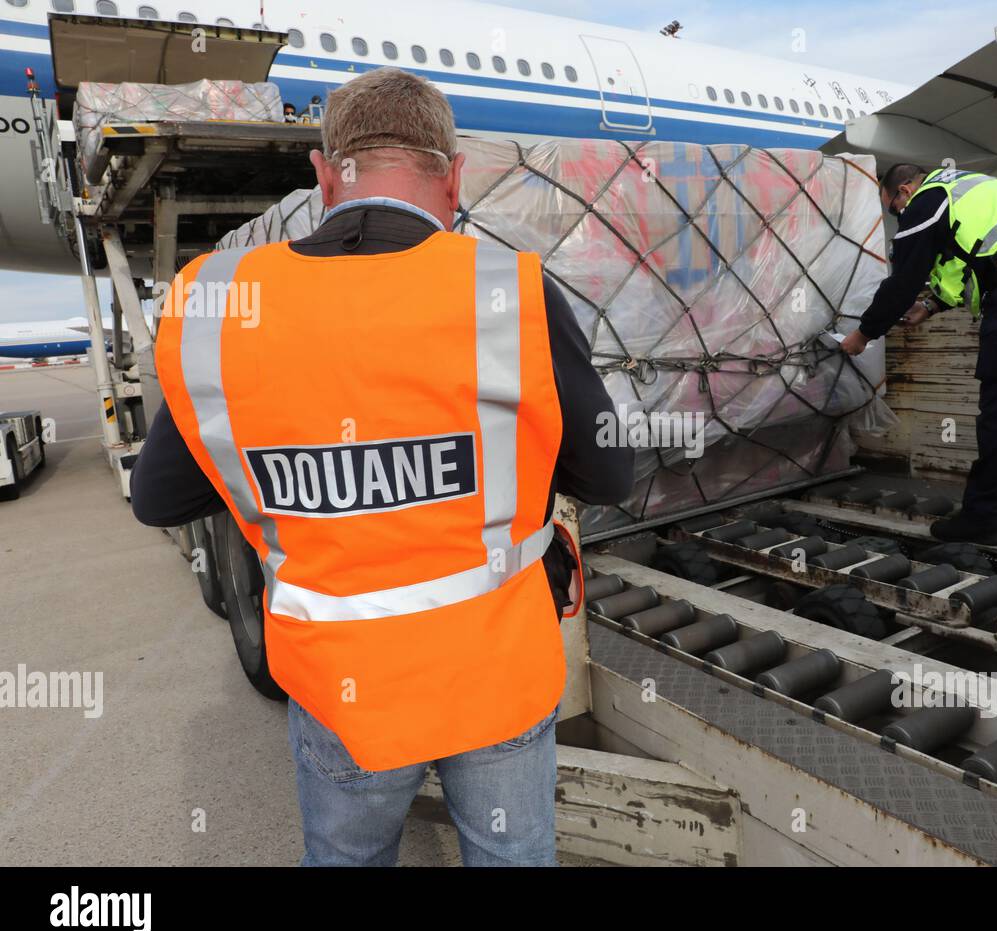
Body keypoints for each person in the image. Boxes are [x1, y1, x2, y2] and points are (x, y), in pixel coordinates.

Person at [130, 67, 634, 866]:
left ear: (326, 173)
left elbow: (159, 498)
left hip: (341, 688)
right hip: (494, 673)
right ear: (455, 173)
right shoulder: (510, 292)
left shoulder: (218, 303)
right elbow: (610, 477)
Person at [841, 163, 997, 544]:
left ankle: (984, 516)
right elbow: (970, 262)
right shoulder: (974, 186)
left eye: (893, 208)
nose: (898, 216)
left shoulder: (929, 199)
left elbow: (904, 280)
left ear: (905, 190)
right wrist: (933, 306)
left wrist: (863, 334)